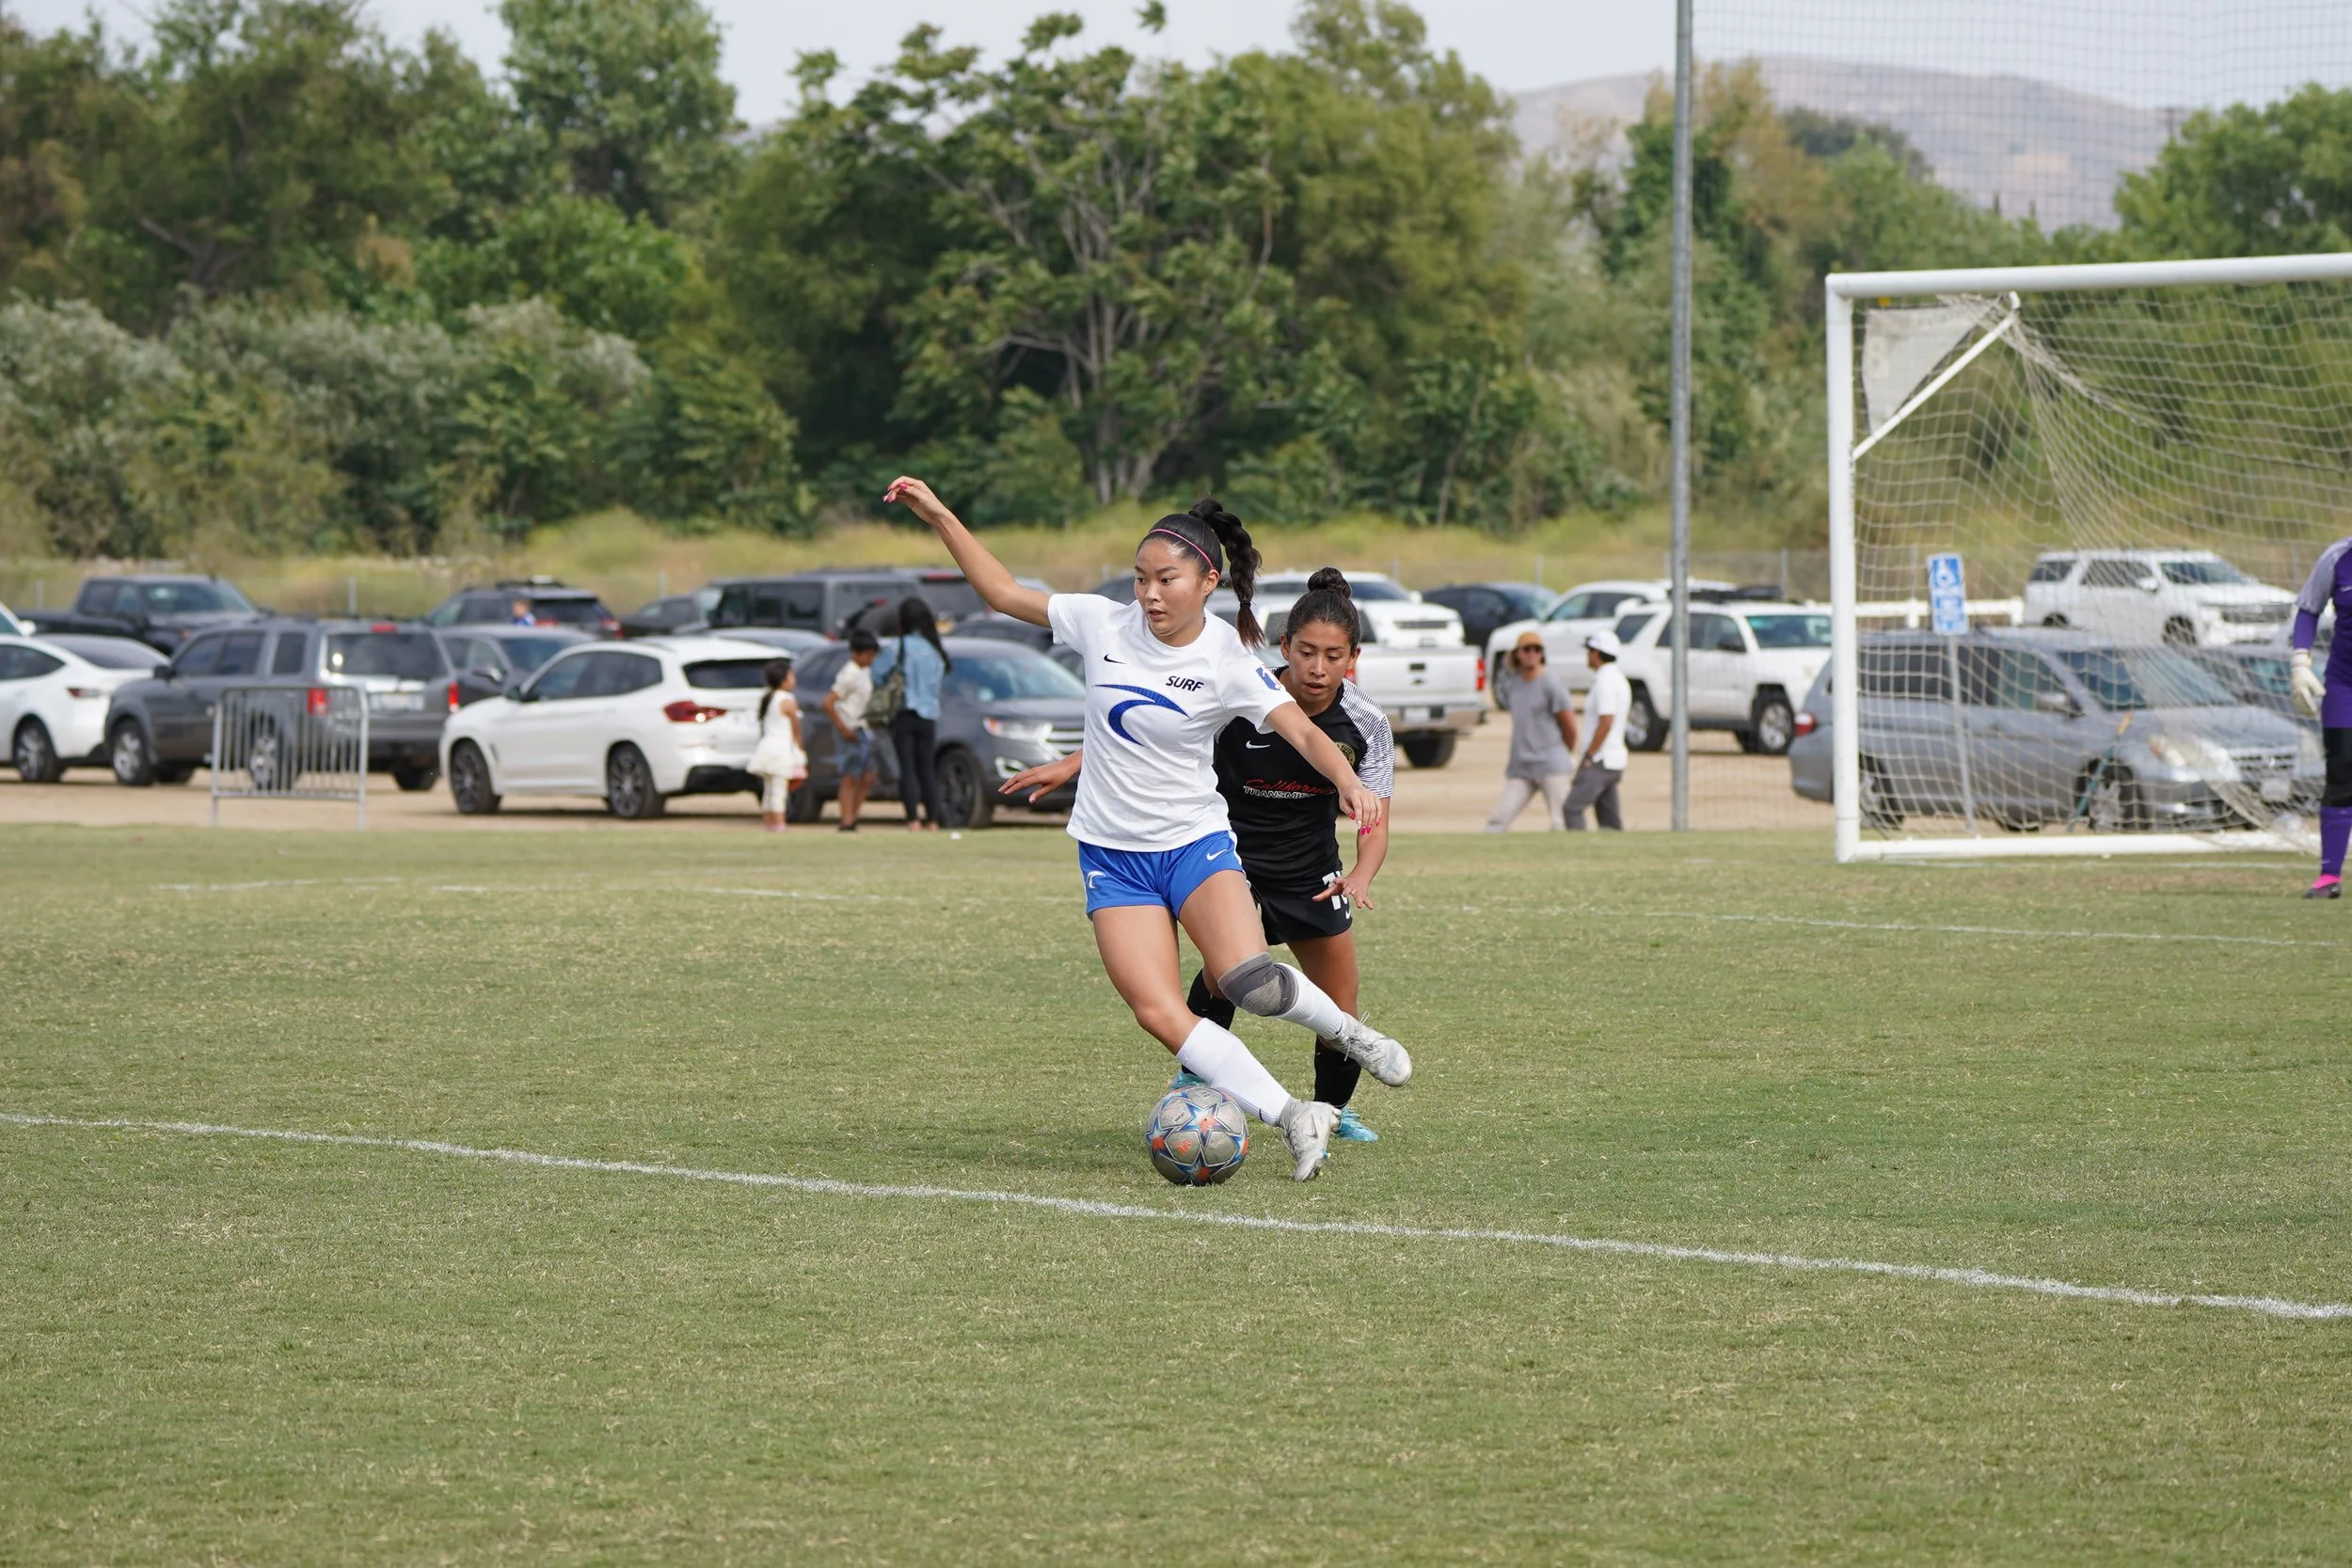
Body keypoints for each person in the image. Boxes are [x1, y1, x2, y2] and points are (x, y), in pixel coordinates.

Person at [882, 475, 1408, 1180]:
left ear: (1207, 580)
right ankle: (1293, 1115)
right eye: (1140, 579)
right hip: (1113, 855)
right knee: (1160, 1012)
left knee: (1246, 977)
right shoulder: (1101, 624)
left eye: (1166, 579)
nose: (1149, 594)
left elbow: (1298, 730)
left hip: (1194, 842)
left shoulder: (1225, 656)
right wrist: (941, 514)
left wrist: (1347, 780)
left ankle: (1352, 1035)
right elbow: (1004, 594)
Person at [1004, 567, 1398, 1144]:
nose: (1317, 668)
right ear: (1283, 646)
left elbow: (1375, 819)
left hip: (1309, 870)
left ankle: (1333, 1112)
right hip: (1226, 852)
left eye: (1333, 656)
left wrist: (1362, 872)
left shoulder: (1367, 723)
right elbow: (1154, 731)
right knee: (1226, 977)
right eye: (1306, 651)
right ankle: (1194, 1078)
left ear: (1352, 658)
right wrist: (1075, 760)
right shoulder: (1241, 687)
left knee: (1341, 1000)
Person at [2291, 537, 2350, 897]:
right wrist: (2300, 663)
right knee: (2343, 771)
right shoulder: (2338, 556)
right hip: (2345, 686)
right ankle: (2329, 877)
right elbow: (2309, 608)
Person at [871, 597, 951, 832]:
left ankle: (912, 819)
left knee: (907, 768)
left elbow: (877, 675)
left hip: (905, 712)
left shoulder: (899, 646)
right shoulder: (935, 648)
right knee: (927, 768)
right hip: (929, 715)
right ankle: (933, 820)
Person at [1486, 630, 1578, 832]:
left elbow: (1569, 725)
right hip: (1522, 765)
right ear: (1517, 653)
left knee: (1561, 822)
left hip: (1551, 763)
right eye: (1526, 649)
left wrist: (1563, 752)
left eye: (1537, 649)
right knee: (1498, 819)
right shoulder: (1514, 684)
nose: (1532, 654)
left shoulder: (1551, 683)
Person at [1561, 630, 1629, 831]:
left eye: (1589, 651)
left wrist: (1590, 754)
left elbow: (1606, 720)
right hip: (1614, 759)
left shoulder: (1605, 682)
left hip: (1601, 759)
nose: (1587, 655)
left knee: (1572, 808)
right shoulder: (1618, 678)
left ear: (1596, 653)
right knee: (1609, 820)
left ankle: (1579, 853)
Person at [825, 629, 882, 832]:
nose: (871, 659)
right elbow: (829, 703)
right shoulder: (848, 674)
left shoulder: (864, 672)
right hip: (851, 728)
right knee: (850, 776)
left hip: (864, 728)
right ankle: (846, 820)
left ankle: (853, 815)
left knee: (867, 776)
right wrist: (842, 727)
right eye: (868, 655)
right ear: (856, 653)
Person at [748, 657, 806, 832]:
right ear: (784, 679)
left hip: (766, 748)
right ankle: (780, 825)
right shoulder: (788, 700)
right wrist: (801, 750)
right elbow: (796, 730)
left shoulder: (768, 698)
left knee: (769, 790)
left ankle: (769, 824)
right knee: (779, 791)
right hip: (780, 751)